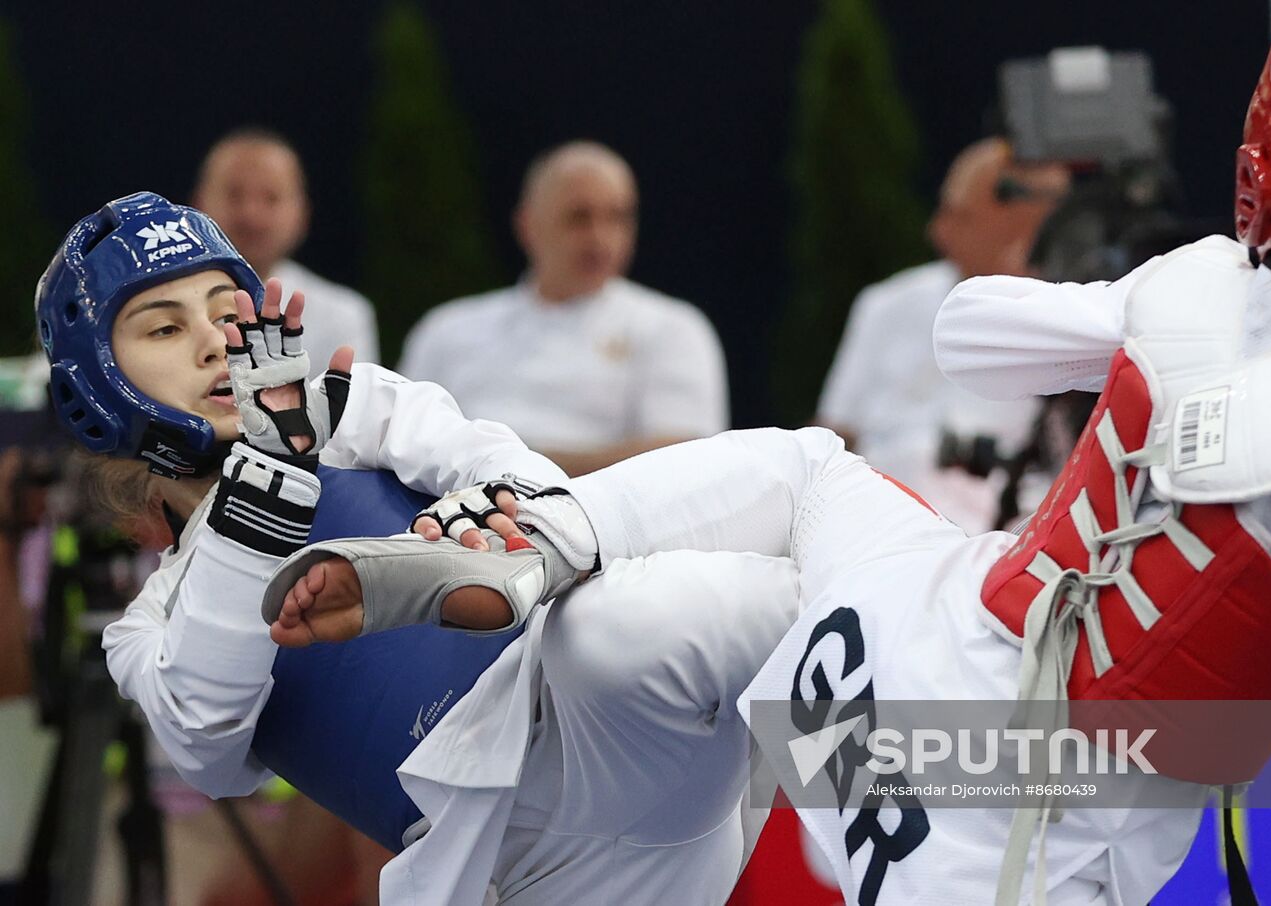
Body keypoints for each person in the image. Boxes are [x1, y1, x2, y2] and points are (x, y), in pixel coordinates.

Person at [273, 3, 1271, 902]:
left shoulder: (1197, 280)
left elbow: (964, 333)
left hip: (882, 650)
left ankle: (541, 538)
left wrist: (1127, 318)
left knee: (805, 468)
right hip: (995, 818)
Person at [42, 193, 799, 904]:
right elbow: (208, 747)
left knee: (786, 592)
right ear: (101, 391)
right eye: (165, 328)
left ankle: (918, 817)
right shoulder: (147, 629)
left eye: (224, 311)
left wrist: (494, 516)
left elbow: (505, 464)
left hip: (597, 709)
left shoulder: (348, 415)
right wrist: (261, 500)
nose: (214, 342)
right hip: (536, 870)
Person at [398, 140, 728, 476]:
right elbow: (401, 443)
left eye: (618, 217)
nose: (600, 238)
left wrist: (516, 466)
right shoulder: (446, 329)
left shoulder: (673, 328)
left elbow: (685, 457)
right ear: (528, 225)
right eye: (578, 218)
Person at [816, 137, 1068, 531]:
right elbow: (833, 432)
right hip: (870, 525)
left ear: (1025, 225)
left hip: (1007, 539)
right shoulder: (887, 303)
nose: (937, 231)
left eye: (960, 215)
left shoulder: (1071, 323)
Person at [194, 127, 380, 367]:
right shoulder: (160, 304)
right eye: (234, 195)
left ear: (302, 214)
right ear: (196, 207)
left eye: (271, 198)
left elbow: (351, 403)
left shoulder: (343, 315)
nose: (251, 215)